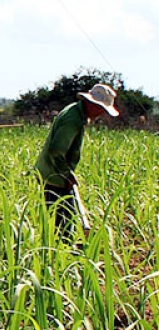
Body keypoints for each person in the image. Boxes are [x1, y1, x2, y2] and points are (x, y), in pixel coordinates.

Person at [34, 83, 119, 240]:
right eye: (101, 109)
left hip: (55, 173)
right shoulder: (72, 120)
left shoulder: (74, 111)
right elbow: (56, 151)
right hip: (55, 175)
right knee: (64, 222)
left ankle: (62, 250)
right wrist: (67, 175)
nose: (101, 113)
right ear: (92, 103)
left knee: (64, 217)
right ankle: (62, 253)